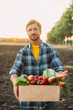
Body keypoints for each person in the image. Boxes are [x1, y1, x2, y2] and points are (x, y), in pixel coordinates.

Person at [9, 19, 65, 110]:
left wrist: (59, 77)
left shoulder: (50, 50)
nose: (33, 32)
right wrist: (15, 81)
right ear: (27, 33)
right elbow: (14, 70)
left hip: (47, 100)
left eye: (35, 29)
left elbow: (59, 67)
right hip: (28, 101)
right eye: (30, 30)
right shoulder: (22, 52)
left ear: (40, 31)